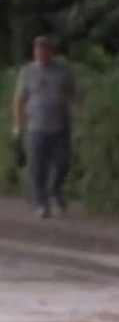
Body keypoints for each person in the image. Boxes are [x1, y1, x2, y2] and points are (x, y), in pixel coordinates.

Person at [12, 36, 78, 219]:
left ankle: (55, 191)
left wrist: (79, 112)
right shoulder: (28, 72)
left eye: (44, 50)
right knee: (38, 166)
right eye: (38, 50)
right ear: (34, 52)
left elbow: (72, 95)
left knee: (63, 162)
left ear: (51, 52)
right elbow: (19, 99)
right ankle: (42, 203)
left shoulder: (62, 72)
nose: (41, 54)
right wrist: (18, 124)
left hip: (60, 125)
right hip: (36, 126)